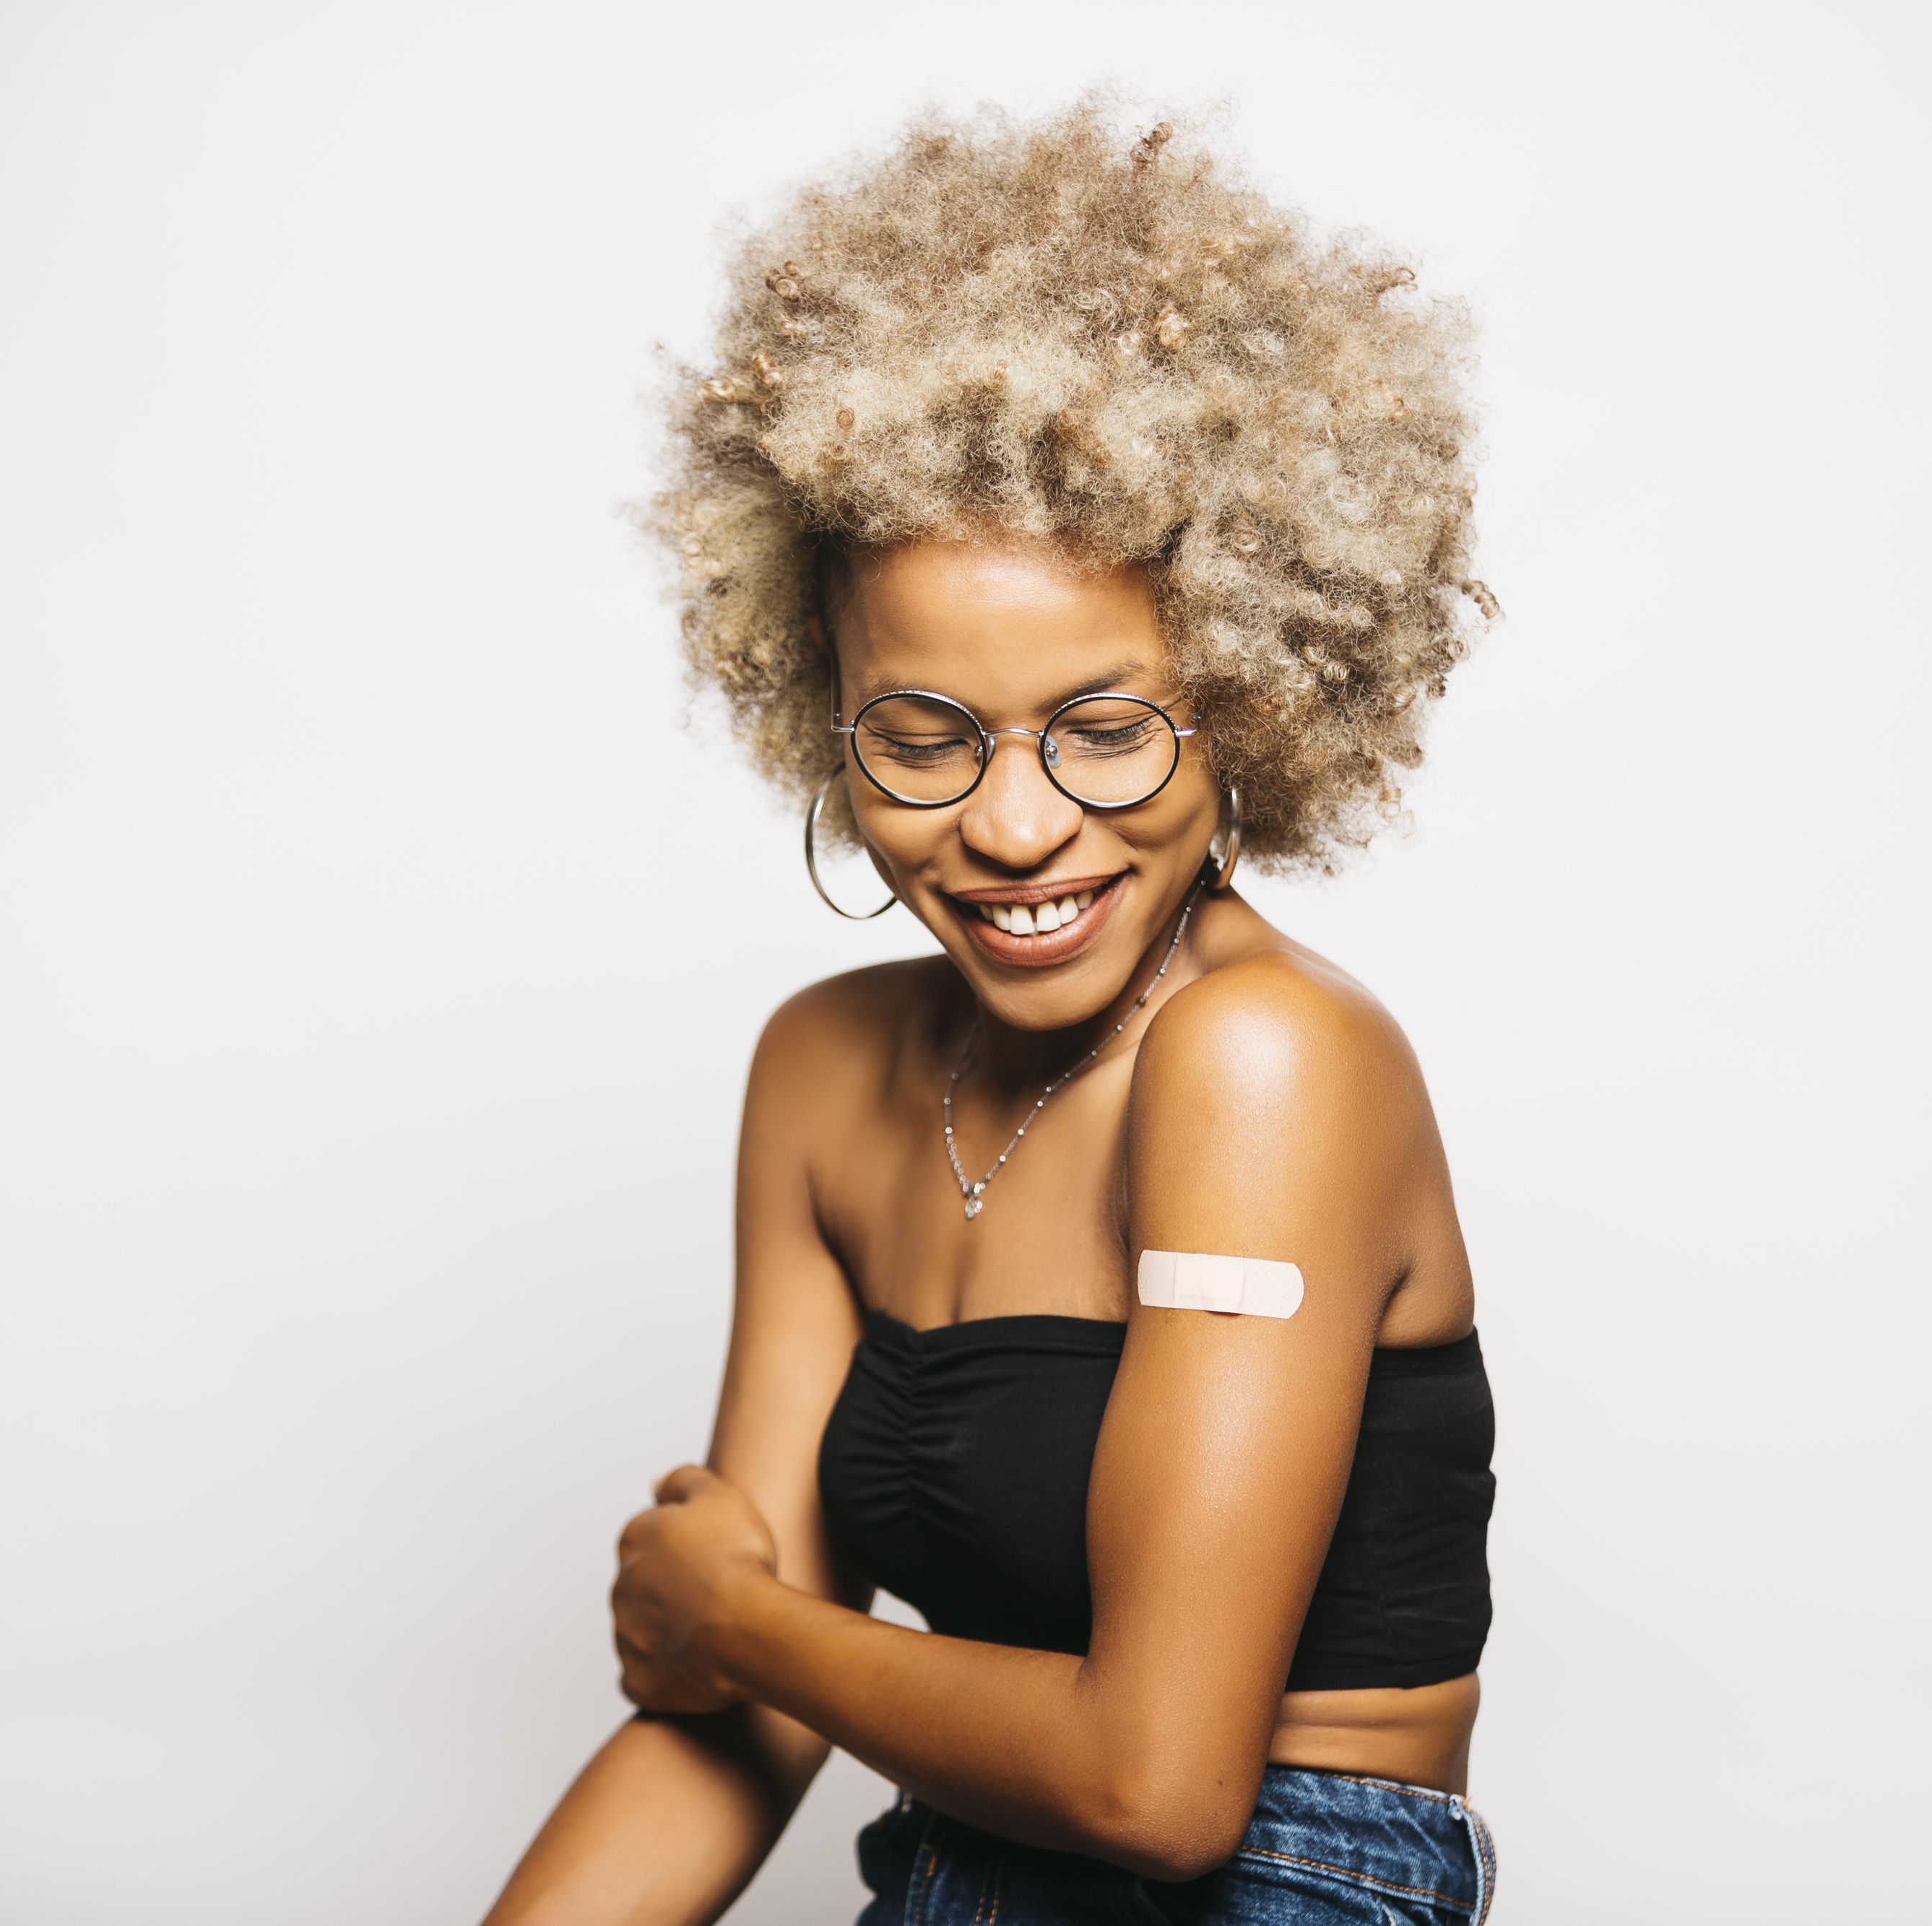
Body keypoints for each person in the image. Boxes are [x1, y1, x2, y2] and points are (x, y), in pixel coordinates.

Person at [485, 96, 1502, 1926]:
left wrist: (739, 1617)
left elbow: (1156, 1785)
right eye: (922, 734)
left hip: (1286, 1882)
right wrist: (743, 1643)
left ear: (1251, 695)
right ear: (824, 710)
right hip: (943, 1866)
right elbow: (734, 1727)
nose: (1016, 825)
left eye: (1104, 727)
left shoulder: (1264, 1062)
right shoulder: (824, 1071)